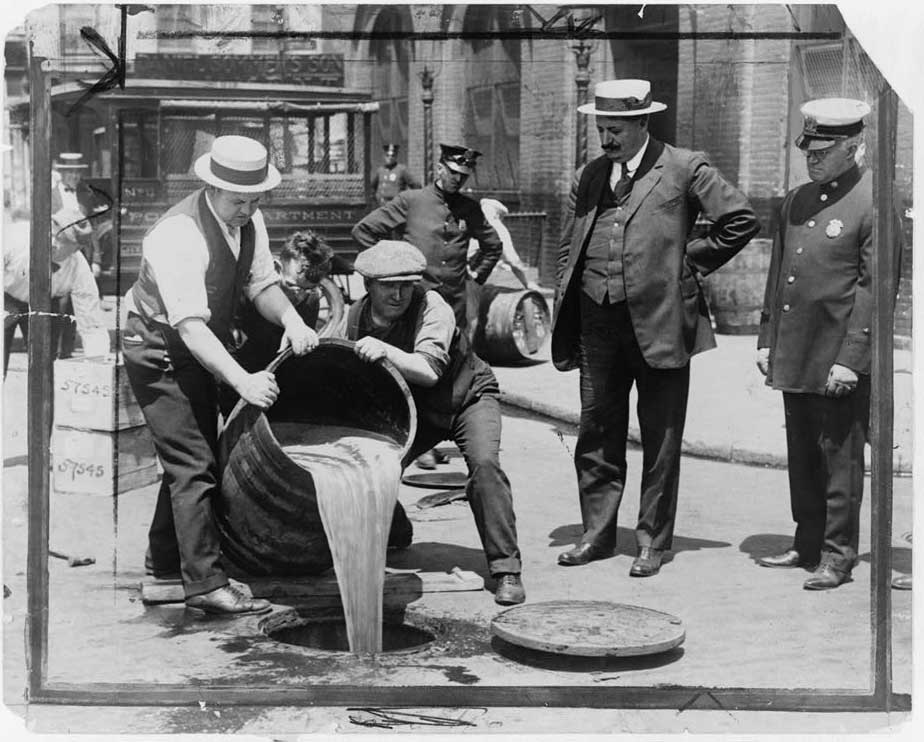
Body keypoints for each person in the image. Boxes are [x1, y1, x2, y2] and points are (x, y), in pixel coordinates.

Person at [552, 79, 760, 577]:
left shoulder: (685, 166)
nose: (607, 138)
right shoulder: (591, 174)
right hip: (597, 322)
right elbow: (570, 243)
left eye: (617, 129)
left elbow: (740, 219)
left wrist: (688, 264)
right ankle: (597, 535)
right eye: (602, 128)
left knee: (661, 437)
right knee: (596, 431)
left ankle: (652, 541)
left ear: (644, 122)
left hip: (661, 321)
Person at [121, 135, 318, 616]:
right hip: (158, 345)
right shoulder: (178, 235)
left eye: (254, 201)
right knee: (193, 463)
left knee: (195, 455)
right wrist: (242, 381)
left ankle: (165, 566)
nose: (246, 211)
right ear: (211, 187)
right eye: (237, 201)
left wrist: (292, 320)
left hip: (193, 342)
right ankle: (205, 584)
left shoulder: (248, 220)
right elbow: (190, 328)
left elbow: (261, 283)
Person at [756, 98, 903, 590]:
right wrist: (765, 337)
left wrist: (852, 359)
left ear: (853, 146)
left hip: (838, 355)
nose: (812, 158)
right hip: (795, 349)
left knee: (838, 456)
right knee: (802, 454)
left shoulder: (874, 200)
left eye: (823, 150)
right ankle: (808, 542)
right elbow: (780, 274)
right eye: (809, 149)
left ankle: (838, 555)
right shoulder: (796, 200)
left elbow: (876, 288)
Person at [329, 239, 526, 606]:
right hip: (419, 410)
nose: (399, 293)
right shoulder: (354, 318)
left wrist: (385, 349)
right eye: (389, 285)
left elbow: (429, 370)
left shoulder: (432, 305)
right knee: (372, 465)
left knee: (484, 467)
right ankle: (397, 527)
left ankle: (506, 568)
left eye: (407, 284)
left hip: (467, 397)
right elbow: (334, 362)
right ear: (368, 285)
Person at [353, 143, 504, 470]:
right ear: (439, 168)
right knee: (415, 372)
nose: (456, 181)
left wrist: (474, 278)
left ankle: (449, 431)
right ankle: (418, 441)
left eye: (463, 176)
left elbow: (493, 246)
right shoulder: (412, 201)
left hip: (456, 307)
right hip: (415, 307)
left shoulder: (469, 208)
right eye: (452, 173)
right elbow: (365, 230)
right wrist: (391, 268)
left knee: (451, 371)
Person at [218, 229, 334, 415]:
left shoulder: (311, 300)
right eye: (291, 286)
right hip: (238, 376)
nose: (298, 296)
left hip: (276, 380)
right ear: (277, 267)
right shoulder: (247, 294)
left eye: (309, 289)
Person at [3, 208, 109, 378]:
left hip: (44, 304)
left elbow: (90, 322)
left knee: (44, 369)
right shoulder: (15, 237)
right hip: (5, 297)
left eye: (62, 240)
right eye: (52, 233)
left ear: (77, 249)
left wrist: (98, 370)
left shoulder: (79, 269)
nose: (52, 242)